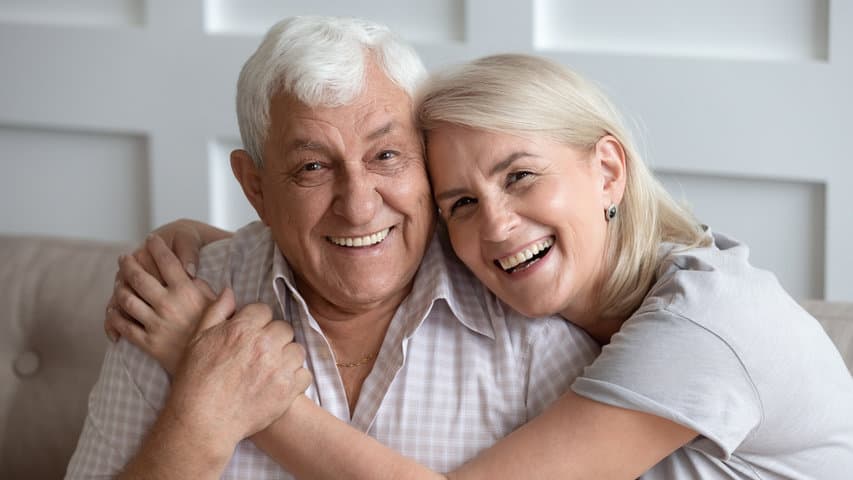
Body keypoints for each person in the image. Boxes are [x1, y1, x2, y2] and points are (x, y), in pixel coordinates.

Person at [109, 53, 853, 479]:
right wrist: (217, 243)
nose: (495, 226)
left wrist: (224, 376)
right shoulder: (578, 291)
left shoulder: (703, 327)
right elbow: (359, 232)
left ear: (605, 169)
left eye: (520, 177)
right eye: (460, 201)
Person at [65, 18, 598, 480]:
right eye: (313, 168)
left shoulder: (520, 295)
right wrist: (202, 416)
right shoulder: (173, 300)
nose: (360, 207)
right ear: (256, 188)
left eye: (386, 155)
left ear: (428, 164)